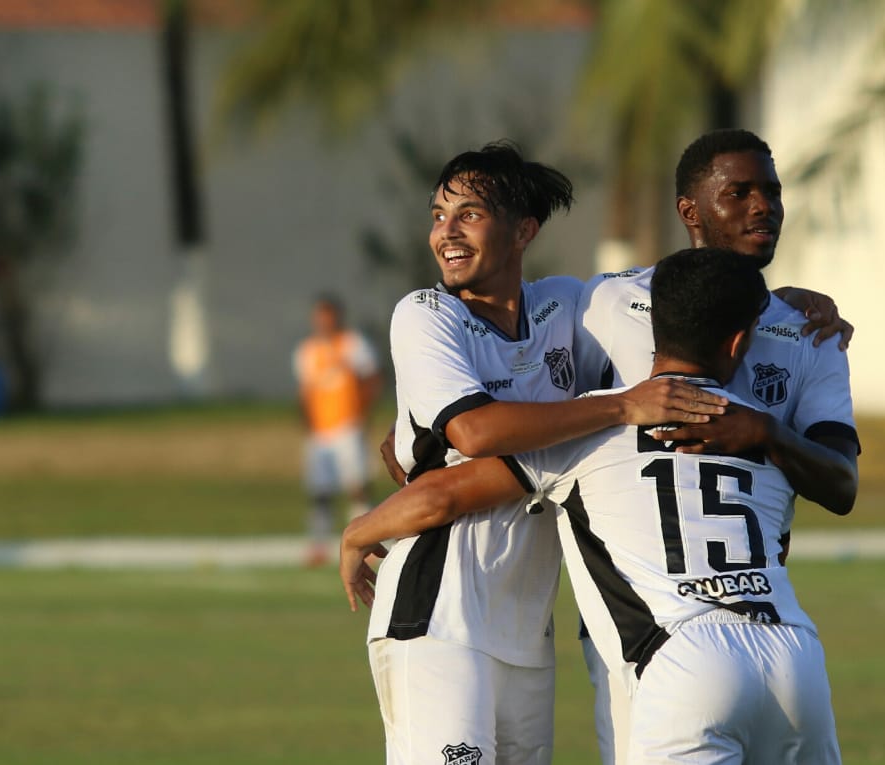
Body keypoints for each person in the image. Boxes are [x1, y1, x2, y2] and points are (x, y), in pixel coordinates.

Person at [344, 248, 845, 764]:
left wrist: (359, 531)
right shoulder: (761, 427)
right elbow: (836, 480)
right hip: (793, 650)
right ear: (740, 340)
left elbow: (444, 493)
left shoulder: (595, 424)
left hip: (687, 658)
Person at [367, 142, 728, 765]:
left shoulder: (563, 305)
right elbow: (473, 434)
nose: (444, 233)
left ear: (523, 230)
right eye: (437, 216)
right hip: (441, 613)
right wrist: (619, 406)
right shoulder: (426, 314)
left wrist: (791, 301)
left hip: (528, 627)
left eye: (468, 214)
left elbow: (676, 291)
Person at [569, 128, 860, 764]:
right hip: (639, 620)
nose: (765, 206)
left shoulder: (810, 333)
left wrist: (767, 436)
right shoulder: (606, 303)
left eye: (773, 192)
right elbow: (515, 361)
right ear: (689, 211)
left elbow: (842, 483)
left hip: (751, 604)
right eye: (740, 192)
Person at [293, 295, 381, 566]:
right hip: (321, 433)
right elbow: (306, 391)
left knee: (357, 485)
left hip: (347, 427)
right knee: (320, 491)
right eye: (319, 316)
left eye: (328, 315)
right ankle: (319, 544)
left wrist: (363, 414)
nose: (324, 322)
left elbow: (372, 379)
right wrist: (307, 425)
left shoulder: (353, 344)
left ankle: (367, 542)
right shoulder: (308, 351)